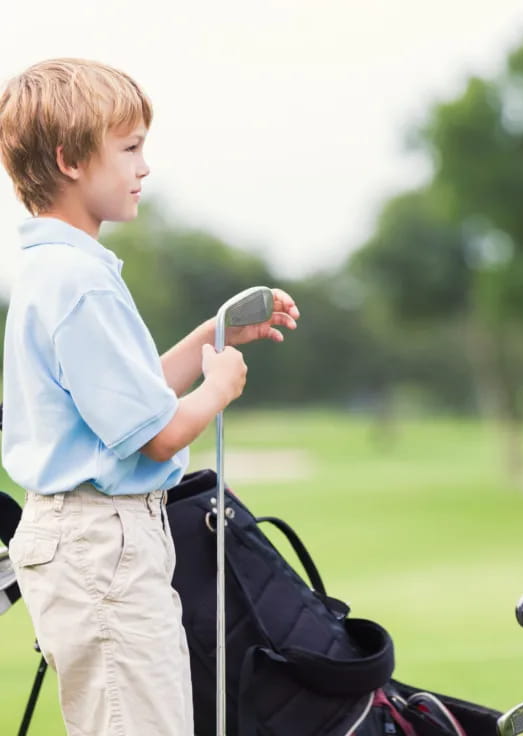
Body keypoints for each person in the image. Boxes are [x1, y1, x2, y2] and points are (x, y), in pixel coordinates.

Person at [0, 58, 300, 735]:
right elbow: (156, 434)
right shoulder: (80, 281)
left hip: (91, 542)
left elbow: (127, 403)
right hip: (100, 545)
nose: (145, 166)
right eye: (130, 148)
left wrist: (210, 339)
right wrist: (218, 389)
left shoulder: (58, 270)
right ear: (69, 160)